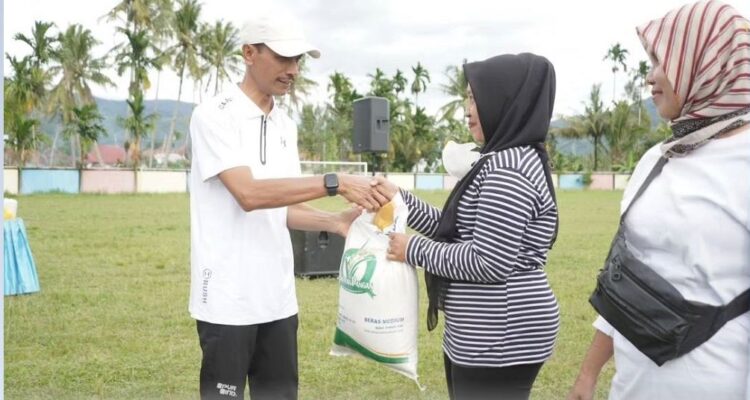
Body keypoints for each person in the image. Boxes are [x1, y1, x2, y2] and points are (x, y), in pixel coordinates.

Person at [188, 10, 387, 400]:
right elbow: (250, 195)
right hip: (227, 301)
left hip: (278, 300)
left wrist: (335, 222)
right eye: (283, 58)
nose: (293, 69)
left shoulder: (285, 124)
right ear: (249, 53)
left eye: (298, 60)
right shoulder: (214, 116)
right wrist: (336, 182)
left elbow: (280, 206)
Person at [567, 1, 750, 399]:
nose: (649, 78)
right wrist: (588, 373)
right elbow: (628, 279)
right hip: (632, 387)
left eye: (660, 61)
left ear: (706, 61)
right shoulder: (658, 158)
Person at [376, 53, 560, 400]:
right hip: (485, 332)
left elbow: (488, 261)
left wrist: (411, 249)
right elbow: (455, 228)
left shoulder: (508, 169)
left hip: (500, 335)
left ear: (505, 100)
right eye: (467, 97)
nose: (467, 108)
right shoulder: (505, 157)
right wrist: (397, 198)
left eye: (476, 97)